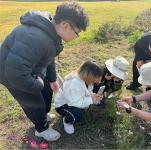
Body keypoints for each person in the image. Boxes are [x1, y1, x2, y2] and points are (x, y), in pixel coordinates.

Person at [0, 1, 89, 141]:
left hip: (30, 69)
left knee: (47, 92)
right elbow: (15, 73)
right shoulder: (36, 38)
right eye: (77, 33)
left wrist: (52, 79)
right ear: (65, 25)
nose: (76, 37)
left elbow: (48, 57)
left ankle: (43, 115)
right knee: (34, 102)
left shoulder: (51, 33)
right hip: (11, 74)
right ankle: (41, 129)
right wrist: (38, 84)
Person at [54, 60, 103, 134]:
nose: (98, 81)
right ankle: (67, 121)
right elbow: (73, 103)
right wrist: (91, 100)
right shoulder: (74, 83)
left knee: (80, 111)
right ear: (89, 76)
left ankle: (70, 115)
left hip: (73, 101)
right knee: (78, 114)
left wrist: (93, 96)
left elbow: (86, 93)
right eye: (96, 78)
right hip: (63, 105)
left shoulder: (87, 81)